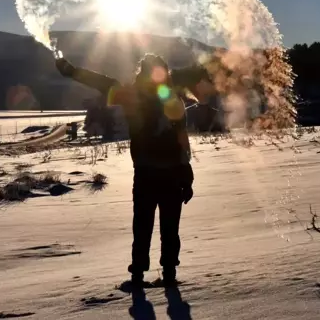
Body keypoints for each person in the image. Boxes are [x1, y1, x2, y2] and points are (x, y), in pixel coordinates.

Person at [55, 53, 209, 287]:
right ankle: (162, 273)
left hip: (154, 173)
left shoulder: (143, 95)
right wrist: (186, 176)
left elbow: (104, 83)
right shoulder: (160, 95)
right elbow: (181, 139)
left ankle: (144, 273)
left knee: (146, 225)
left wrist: (71, 70)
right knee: (163, 226)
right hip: (163, 173)